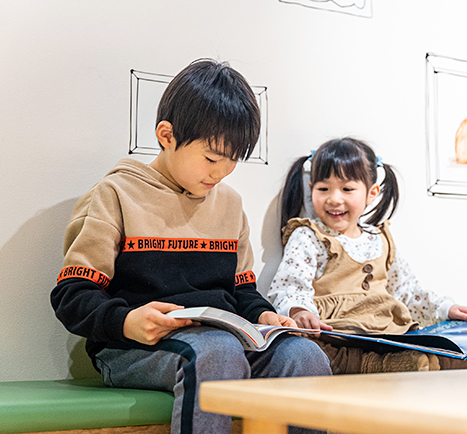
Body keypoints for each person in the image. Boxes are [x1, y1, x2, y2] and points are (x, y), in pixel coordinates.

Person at [50, 59, 331, 434]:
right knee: (215, 352)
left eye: (233, 161)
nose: (221, 172)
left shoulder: (230, 204)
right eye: (212, 158)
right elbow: (72, 294)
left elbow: (242, 292)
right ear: (166, 135)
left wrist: (265, 317)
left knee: (304, 357)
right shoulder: (115, 194)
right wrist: (127, 321)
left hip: (221, 341)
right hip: (131, 347)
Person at [268, 137, 467, 374]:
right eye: (323, 189)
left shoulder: (380, 239)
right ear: (312, 187)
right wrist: (299, 311)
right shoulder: (308, 236)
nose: (334, 199)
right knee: (311, 350)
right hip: (337, 334)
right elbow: (290, 284)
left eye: (347, 189)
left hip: (385, 332)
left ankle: (426, 362)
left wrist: (445, 309)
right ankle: (384, 365)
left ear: (371, 193)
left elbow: (406, 290)